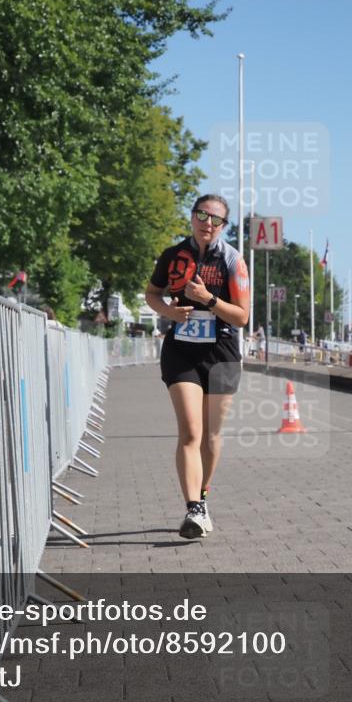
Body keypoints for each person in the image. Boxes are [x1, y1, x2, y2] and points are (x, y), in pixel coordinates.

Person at [145, 195, 250, 539]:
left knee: (211, 435)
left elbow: (243, 317)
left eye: (215, 219)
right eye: (201, 215)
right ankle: (193, 509)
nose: (207, 222)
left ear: (223, 226)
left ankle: (202, 498)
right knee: (191, 432)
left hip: (221, 353)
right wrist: (169, 312)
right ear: (191, 217)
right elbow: (151, 293)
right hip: (182, 351)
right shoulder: (173, 255)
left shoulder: (233, 261)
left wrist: (209, 299)